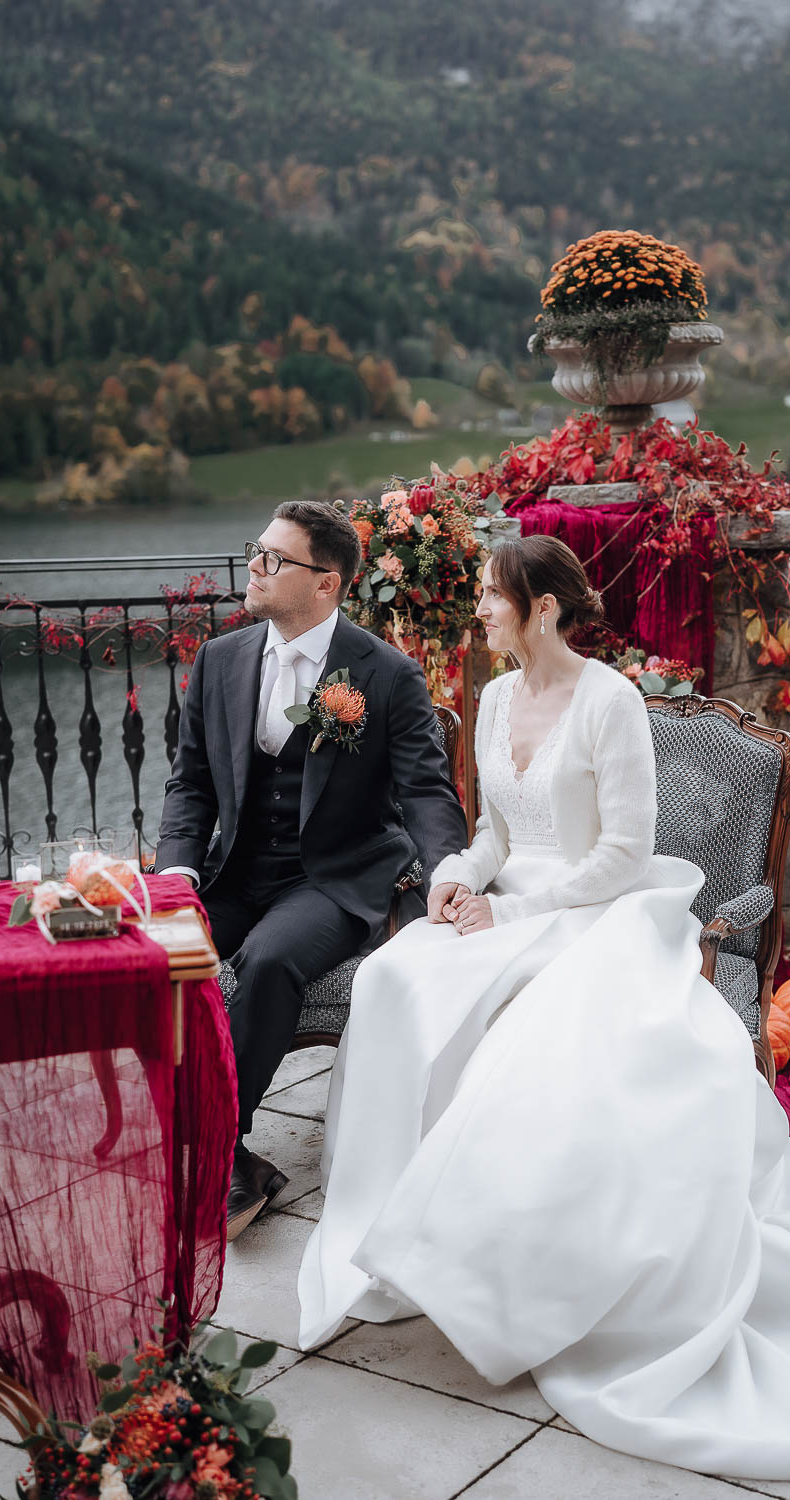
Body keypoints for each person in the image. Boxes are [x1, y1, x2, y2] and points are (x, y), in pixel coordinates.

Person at [297, 531, 790, 1482]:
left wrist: (516, 912)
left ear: (542, 608)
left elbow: (623, 854)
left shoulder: (610, 701)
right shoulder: (493, 699)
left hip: (593, 911)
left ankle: (510, 1258)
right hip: (504, 903)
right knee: (391, 980)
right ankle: (387, 1219)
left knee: (533, 1032)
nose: (480, 611)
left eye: (493, 596)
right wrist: (458, 878)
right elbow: (494, 832)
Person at [155, 499, 467, 1239]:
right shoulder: (221, 660)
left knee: (267, 959)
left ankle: (217, 1146)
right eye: (256, 549)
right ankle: (207, 1148)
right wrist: (177, 875)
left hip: (333, 879)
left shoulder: (387, 674)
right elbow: (190, 784)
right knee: (152, 949)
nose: (255, 567)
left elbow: (427, 790)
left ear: (326, 582)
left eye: (274, 558)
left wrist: (451, 871)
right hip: (236, 873)